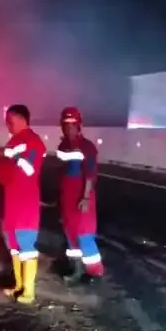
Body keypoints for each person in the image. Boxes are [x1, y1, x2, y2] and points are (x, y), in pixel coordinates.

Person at [0, 104, 46, 302]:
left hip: (25, 200)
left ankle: (28, 292)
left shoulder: (34, 142)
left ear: (21, 118)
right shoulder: (13, 143)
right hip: (12, 199)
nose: (7, 125)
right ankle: (19, 286)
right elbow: (8, 169)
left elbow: (26, 170)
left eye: (10, 120)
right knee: (13, 244)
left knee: (25, 242)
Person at [55, 106, 105, 284]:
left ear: (79, 126)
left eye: (72, 125)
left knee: (84, 234)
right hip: (67, 197)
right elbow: (61, 172)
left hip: (81, 196)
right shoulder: (62, 147)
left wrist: (85, 198)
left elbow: (90, 174)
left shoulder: (87, 147)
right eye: (66, 125)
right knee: (70, 233)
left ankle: (95, 272)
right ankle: (76, 269)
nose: (69, 129)